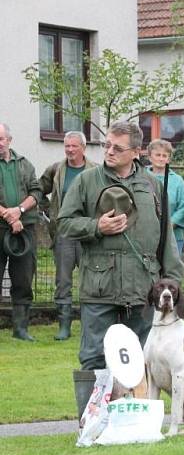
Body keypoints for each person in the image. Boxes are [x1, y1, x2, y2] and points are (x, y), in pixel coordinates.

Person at [58, 121, 184, 412]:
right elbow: (64, 223)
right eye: (107, 146)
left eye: (118, 147)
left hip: (143, 287)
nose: (109, 151)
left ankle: (137, 422)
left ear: (136, 152)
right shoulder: (88, 181)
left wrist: (172, 282)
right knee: (93, 356)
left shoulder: (153, 185)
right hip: (99, 286)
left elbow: (165, 238)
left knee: (141, 355)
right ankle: (91, 424)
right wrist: (96, 226)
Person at [39, 131, 96, 340]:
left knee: (91, 279)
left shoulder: (96, 170)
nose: (70, 150)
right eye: (67, 146)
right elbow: (38, 188)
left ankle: (90, 325)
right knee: (63, 280)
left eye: (74, 146)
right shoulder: (56, 170)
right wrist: (48, 211)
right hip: (64, 233)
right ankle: (64, 326)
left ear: (83, 147)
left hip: (88, 233)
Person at [0, 123, 43, 341]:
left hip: (24, 229)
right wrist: (8, 215)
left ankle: (21, 329)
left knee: (24, 279)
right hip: (2, 227)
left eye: (1, 139)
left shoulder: (25, 164)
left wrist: (19, 211)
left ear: (9, 140)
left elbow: (37, 191)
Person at [146, 139, 184, 255]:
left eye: (164, 155)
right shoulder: (141, 177)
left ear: (168, 159)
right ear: (150, 157)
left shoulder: (177, 180)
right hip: (146, 234)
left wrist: (169, 225)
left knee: (171, 270)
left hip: (173, 235)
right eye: (157, 155)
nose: (161, 158)